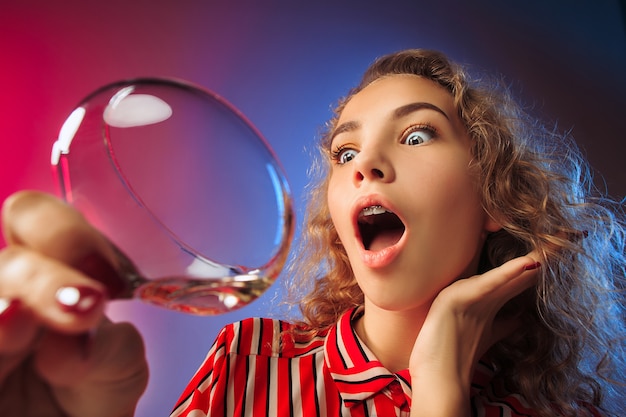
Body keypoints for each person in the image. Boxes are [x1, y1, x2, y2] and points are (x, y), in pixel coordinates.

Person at [0, 49, 623, 417]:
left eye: (416, 135)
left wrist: (440, 391)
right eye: (344, 151)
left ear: (494, 196)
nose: (365, 166)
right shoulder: (250, 366)